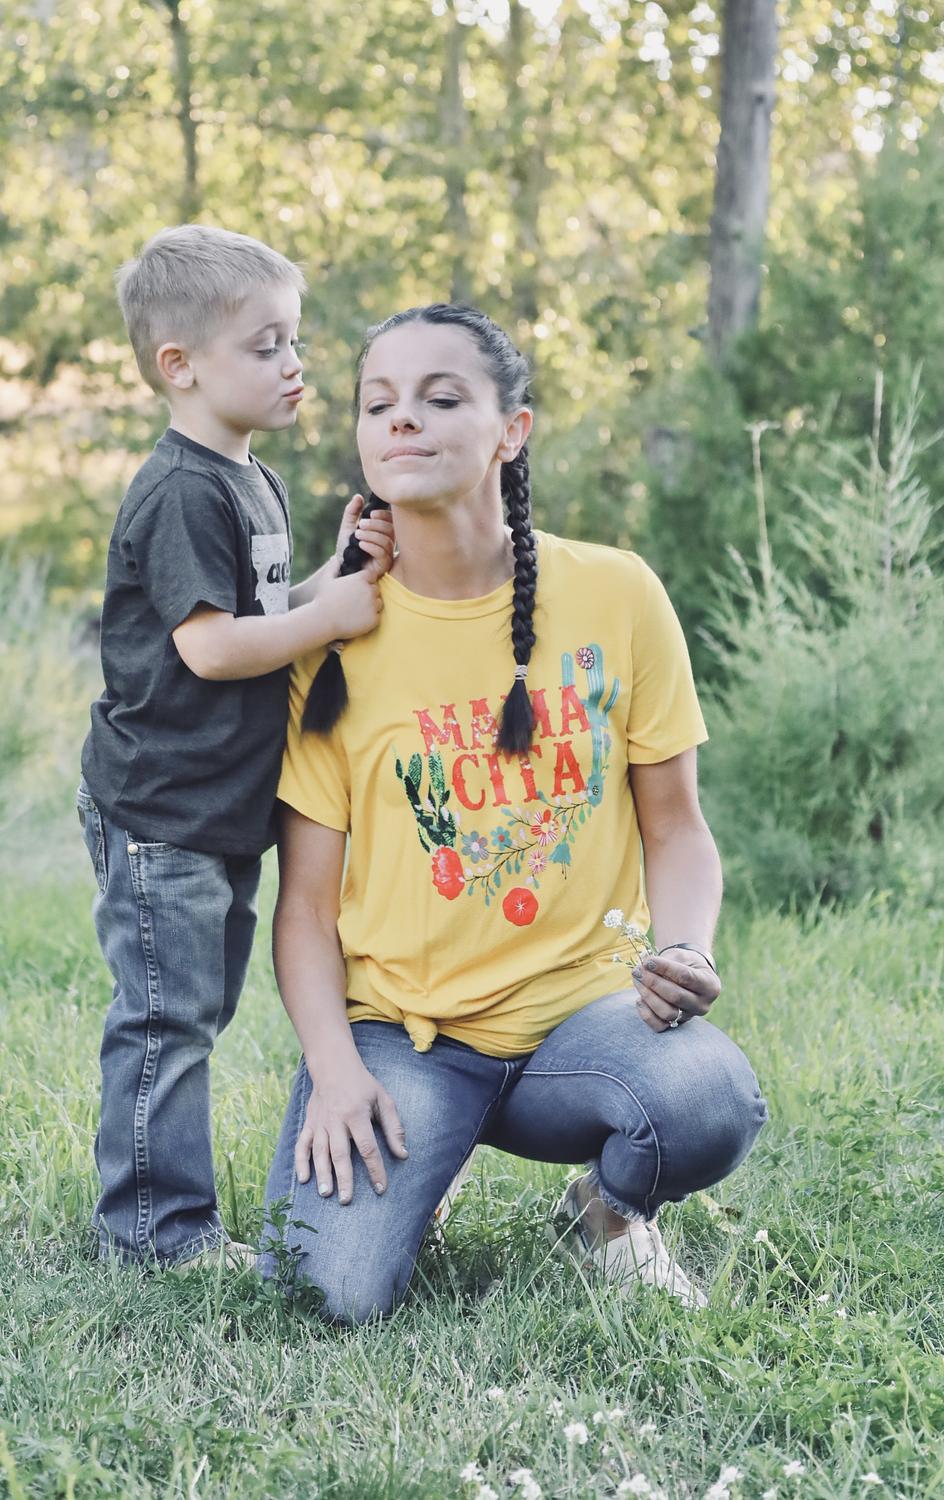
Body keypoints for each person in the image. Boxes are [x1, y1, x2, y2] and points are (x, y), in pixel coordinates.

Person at [260, 303, 767, 1320]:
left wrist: (687, 949)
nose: (403, 419)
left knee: (707, 1102)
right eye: (378, 404)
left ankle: (607, 1214)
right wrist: (336, 1071)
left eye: (440, 398)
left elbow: (676, 827)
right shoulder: (330, 640)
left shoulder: (618, 594)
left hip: (585, 1022)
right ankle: (429, 1151)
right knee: (328, 1293)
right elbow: (306, 906)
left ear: (512, 431)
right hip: (405, 1034)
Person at [78, 224, 394, 1267]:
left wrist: (337, 575)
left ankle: (164, 1217)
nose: (294, 363)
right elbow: (212, 649)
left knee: (195, 1010)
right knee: (166, 1021)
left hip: (213, 808)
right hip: (160, 809)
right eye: (266, 346)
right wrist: (330, 617)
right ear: (181, 366)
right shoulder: (181, 490)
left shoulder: (249, 477)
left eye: (294, 341)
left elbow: (263, 612)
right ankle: (156, 1233)